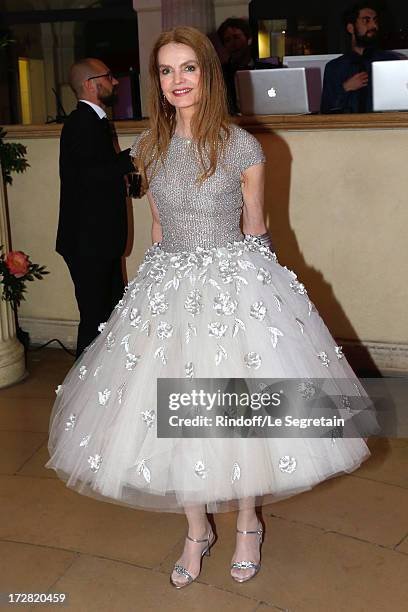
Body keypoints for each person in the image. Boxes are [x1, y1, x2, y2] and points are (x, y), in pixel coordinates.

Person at [46, 27, 373, 588]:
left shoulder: (242, 145)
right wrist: (149, 286)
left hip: (230, 285)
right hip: (166, 286)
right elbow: (157, 226)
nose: (177, 80)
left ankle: (248, 521)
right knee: (171, 416)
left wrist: (269, 299)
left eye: (188, 68)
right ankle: (196, 528)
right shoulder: (147, 146)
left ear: (208, 74)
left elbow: (256, 228)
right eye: (167, 71)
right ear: (157, 81)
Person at [56, 58, 135, 358]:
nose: (115, 82)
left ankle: (102, 385)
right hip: (88, 243)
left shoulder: (94, 121)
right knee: (94, 322)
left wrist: (126, 178)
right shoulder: (81, 123)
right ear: (91, 84)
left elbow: (92, 176)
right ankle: (81, 392)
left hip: (98, 240)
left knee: (109, 317)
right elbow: (94, 175)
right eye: (109, 77)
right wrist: (137, 153)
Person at [321, 2, 400, 113]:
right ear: (350, 28)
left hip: (383, 127)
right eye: (366, 20)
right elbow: (325, 110)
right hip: (346, 128)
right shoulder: (334, 67)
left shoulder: (390, 62)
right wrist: (345, 88)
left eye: (375, 21)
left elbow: (401, 103)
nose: (374, 26)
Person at [217, 17, 254, 114]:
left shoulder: (264, 68)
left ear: (248, 39)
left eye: (237, 37)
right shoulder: (220, 73)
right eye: (227, 40)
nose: (233, 43)